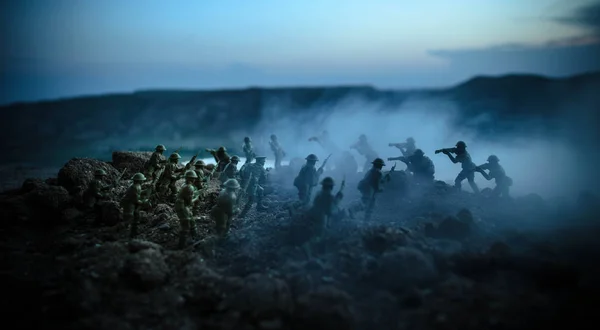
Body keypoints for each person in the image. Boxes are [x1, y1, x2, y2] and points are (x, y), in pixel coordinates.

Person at [176, 170, 201, 248]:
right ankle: (181, 245)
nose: (195, 180)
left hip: (183, 205)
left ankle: (195, 237)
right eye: (194, 178)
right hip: (182, 206)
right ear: (191, 179)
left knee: (192, 220)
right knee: (185, 224)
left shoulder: (185, 184)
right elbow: (190, 202)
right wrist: (196, 198)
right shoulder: (189, 187)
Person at [122, 173, 150, 238]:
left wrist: (146, 191)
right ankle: (126, 235)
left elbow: (138, 193)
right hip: (129, 205)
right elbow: (136, 200)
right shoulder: (135, 187)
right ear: (139, 180)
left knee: (135, 218)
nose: (143, 181)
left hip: (131, 203)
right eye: (142, 180)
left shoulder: (136, 186)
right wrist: (144, 201)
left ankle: (133, 233)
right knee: (129, 219)